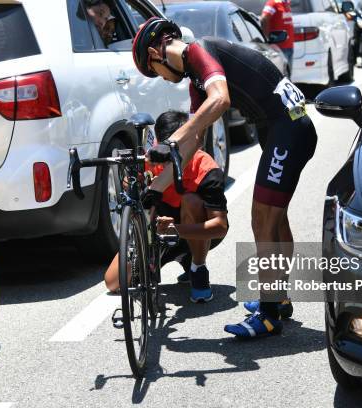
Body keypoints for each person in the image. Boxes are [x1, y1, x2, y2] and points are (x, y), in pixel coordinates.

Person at [131, 18, 317, 338]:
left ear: (155, 52)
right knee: (276, 219)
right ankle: (280, 299)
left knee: (262, 220)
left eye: (154, 71)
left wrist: (172, 140)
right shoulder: (194, 78)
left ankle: (269, 314)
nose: (162, 79)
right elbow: (195, 141)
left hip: (288, 128)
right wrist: (155, 190)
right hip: (281, 128)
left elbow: (221, 100)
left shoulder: (198, 51)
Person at [104, 110, 229, 303]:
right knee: (113, 282)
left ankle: (198, 267)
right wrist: (134, 183)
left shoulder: (206, 168)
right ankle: (180, 257)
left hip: (195, 232)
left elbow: (220, 227)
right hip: (158, 236)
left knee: (190, 200)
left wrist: (176, 229)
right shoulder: (152, 160)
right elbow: (132, 190)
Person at [261, 0, 295, 68]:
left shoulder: (286, 2)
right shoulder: (273, 3)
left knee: (288, 76)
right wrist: (267, 39)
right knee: (282, 76)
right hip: (279, 48)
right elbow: (264, 19)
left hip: (289, 46)